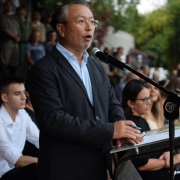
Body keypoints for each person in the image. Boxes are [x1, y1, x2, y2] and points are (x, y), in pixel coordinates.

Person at [29, 1, 143, 180]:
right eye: (81, 21)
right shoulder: (43, 69)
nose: (89, 27)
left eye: (92, 21)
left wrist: (122, 130)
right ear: (61, 29)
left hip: (98, 165)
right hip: (64, 169)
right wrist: (110, 130)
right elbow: (54, 120)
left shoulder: (96, 66)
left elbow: (112, 103)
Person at [122, 79, 180, 180]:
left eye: (149, 97)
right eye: (144, 99)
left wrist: (166, 153)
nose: (149, 102)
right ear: (131, 103)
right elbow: (142, 164)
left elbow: (155, 147)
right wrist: (170, 161)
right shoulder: (132, 125)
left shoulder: (141, 119)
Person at [0, 76, 39, 180]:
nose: (24, 97)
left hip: (15, 170)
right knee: (38, 168)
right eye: (17, 94)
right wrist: (46, 160)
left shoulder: (22, 114)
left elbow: (39, 139)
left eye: (24, 92)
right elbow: (17, 161)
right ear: (4, 97)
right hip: (3, 173)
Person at [0, 1, 20, 77]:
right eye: (7, 5)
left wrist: (18, 36)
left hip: (15, 42)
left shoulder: (14, 17)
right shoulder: (3, 17)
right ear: (4, 7)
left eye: (10, 5)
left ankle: (12, 79)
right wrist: (14, 37)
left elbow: (18, 27)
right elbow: (5, 29)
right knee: (4, 61)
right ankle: (3, 80)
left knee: (14, 62)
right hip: (7, 41)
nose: (9, 7)